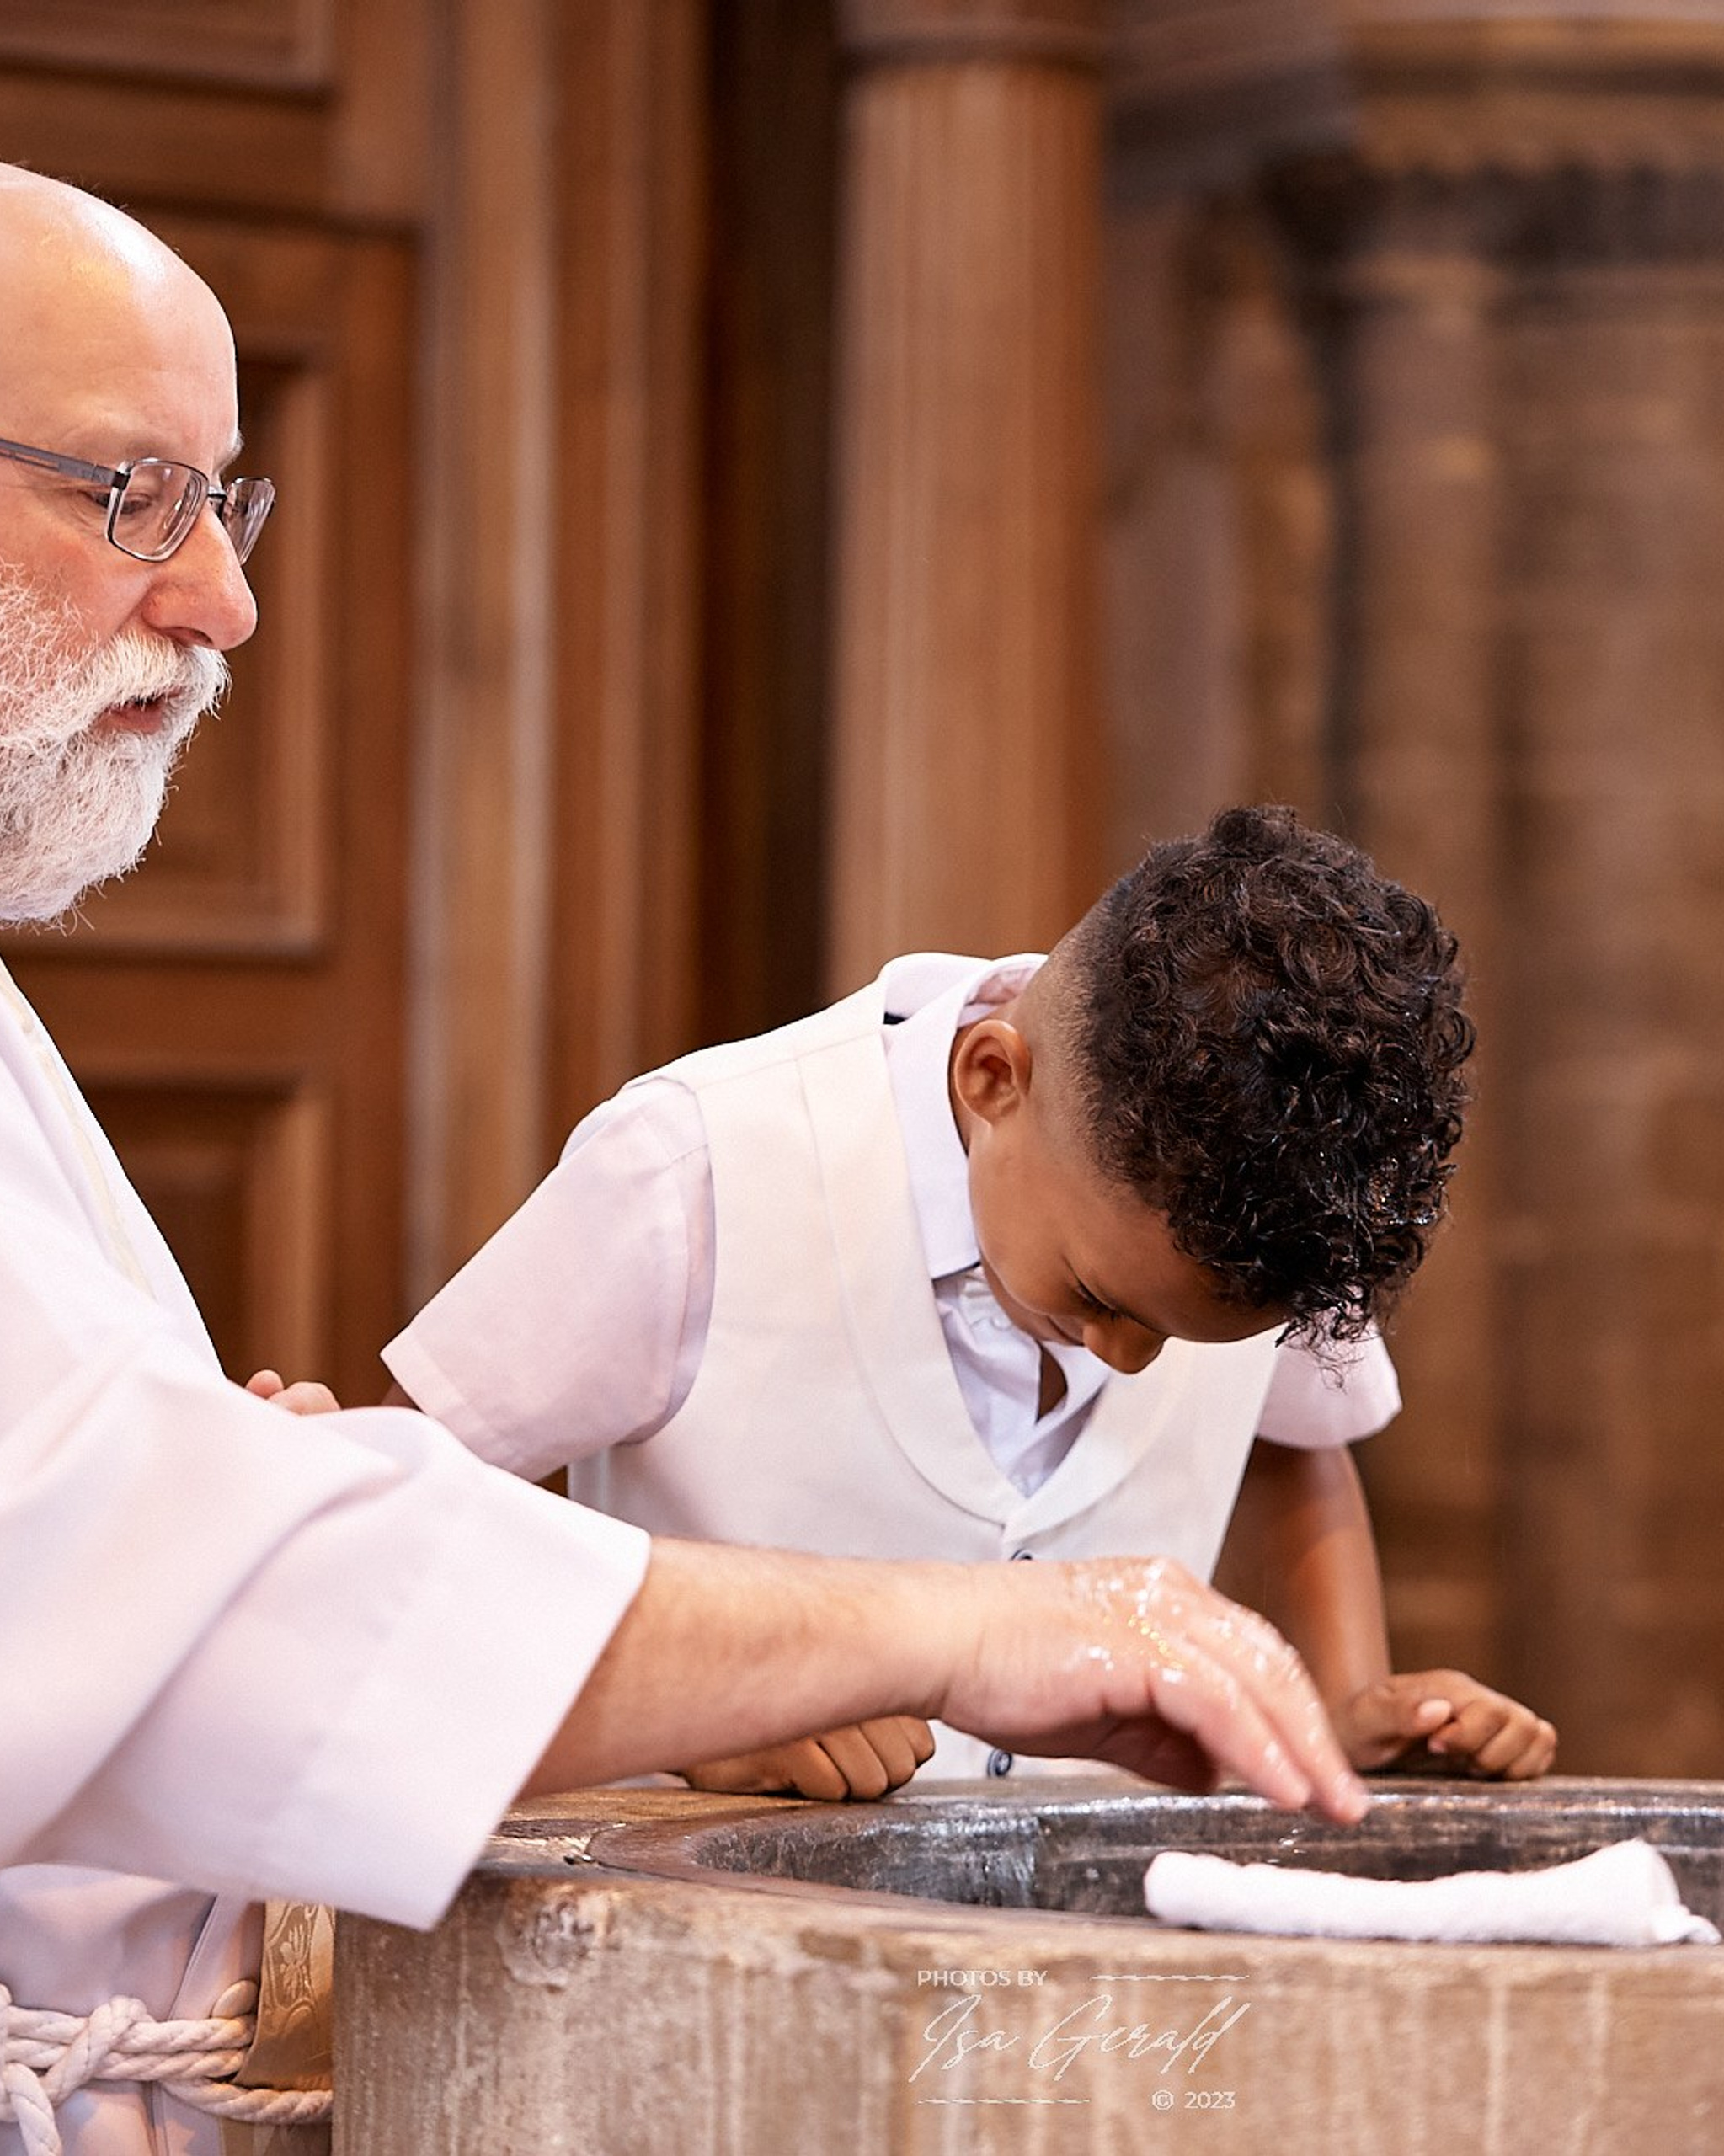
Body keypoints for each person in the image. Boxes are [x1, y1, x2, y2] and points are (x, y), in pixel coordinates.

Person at [0, 166, 1366, 2156]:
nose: (224, 598)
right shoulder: (703, 1163)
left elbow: (132, 1547)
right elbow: (216, 1618)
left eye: (227, 499)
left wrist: (225, 1488)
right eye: (129, 493)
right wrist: (957, 1628)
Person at [387, 807, 1558, 1799]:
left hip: (1093, 1982)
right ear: (992, 1078)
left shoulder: (1268, 1209)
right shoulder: (691, 1171)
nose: (1132, 1362)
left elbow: (1301, 1451)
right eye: (1102, 1300)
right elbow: (380, 1535)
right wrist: (692, 1718)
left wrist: (1335, 1712)